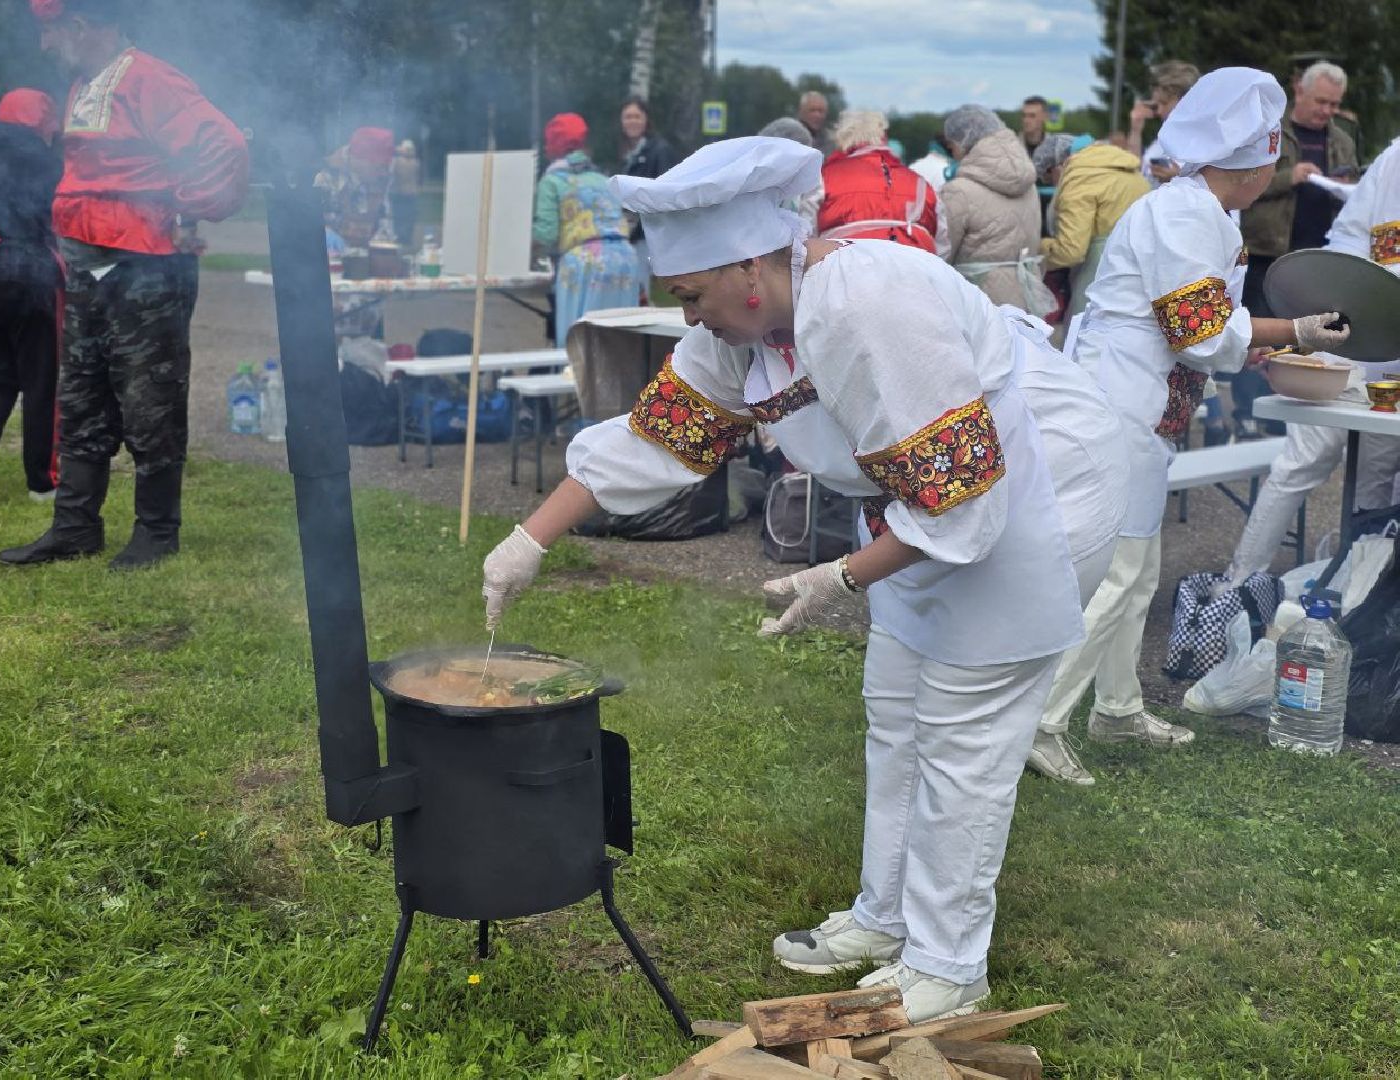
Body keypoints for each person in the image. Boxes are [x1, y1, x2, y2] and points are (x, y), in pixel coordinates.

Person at [481, 136, 1130, 1022]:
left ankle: (947, 965)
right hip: (929, 504)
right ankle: (886, 917)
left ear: (749, 266)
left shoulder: (867, 300)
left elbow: (959, 499)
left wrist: (842, 578)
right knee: (897, 708)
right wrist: (530, 540)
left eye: (691, 296)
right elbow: (658, 436)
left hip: (1036, 488)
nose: (691, 319)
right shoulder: (741, 333)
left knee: (962, 732)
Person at [1025, 68, 1350, 785]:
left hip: (1144, 396)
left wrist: (1257, 341)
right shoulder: (1184, 213)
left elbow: (1200, 324)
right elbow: (1197, 328)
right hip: (1123, 398)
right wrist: (1293, 329)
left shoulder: (1203, 212)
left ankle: (1115, 706)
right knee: (1122, 572)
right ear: (1256, 163)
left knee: (1133, 574)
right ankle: (1040, 719)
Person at [0, 0, 248, 570]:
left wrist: (181, 207)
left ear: (80, 26)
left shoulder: (152, 80)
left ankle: (157, 532)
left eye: (49, 32)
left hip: (149, 268)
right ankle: (75, 526)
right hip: (89, 267)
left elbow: (225, 145)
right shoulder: (85, 85)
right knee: (81, 393)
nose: (44, 46)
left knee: (149, 397)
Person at [1219, 135, 1400, 589]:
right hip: (1348, 338)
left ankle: (1360, 593)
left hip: (1394, 369)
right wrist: (1359, 296)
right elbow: (1348, 238)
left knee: (1375, 475)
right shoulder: (1393, 158)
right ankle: (1239, 584)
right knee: (1302, 461)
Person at [1235, 62, 1358, 438]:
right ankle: (1249, 414)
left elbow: (1354, 199)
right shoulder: (1272, 132)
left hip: (1316, 258)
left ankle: (1292, 422)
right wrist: (1292, 177)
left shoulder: (1343, 140)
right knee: (1256, 333)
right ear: (1299, 92)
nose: (1327, 110)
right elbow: (1241, 185)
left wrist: (1348, 186)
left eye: (1334, 104)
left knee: (1302, 340)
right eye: (1321, 101)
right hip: (1267, 252)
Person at [0, 90, 63, 506]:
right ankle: (43, 484)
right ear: (42, 124)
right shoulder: (48, 163)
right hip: (26, 272)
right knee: (43, 380)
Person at [532, 113, 640, 346]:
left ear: (554, 145)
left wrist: (527, 248)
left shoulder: (551, 181)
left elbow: (546, 234)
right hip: (625, 261)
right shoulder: (602, 178)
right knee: (619, 346)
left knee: (579, 348)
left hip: (584, 264)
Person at [1035, 133, 1149, 336]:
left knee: (1085, 344)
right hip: (1139, 278)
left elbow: (1071, 251)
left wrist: (1039, 248)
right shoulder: (1124, 168)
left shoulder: (1080, 177)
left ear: (1059, 166)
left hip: (1099, 278)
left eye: (1049, 176)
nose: (1054, 184)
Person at [938, 105, 1047, 314]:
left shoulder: (958, 191)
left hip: (979, 301)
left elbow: (943, 253)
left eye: (951, 148)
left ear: (963, 143)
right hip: (1028, 296)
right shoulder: (1029, 184)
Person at [315, 127, 396, 341]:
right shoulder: (324, 178)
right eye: (378, 166)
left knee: (369, 353)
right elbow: (302, 224)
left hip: (365, 284)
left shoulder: (382, 179)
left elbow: (385, 222)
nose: (383, 172)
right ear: (359, 159)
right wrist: (322, 234)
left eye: (385, 166)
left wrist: (385, 247)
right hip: (328, 281)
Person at [817, 110, 936, 251]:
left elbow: (806, 234)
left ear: (841, 138)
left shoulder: (824, 177)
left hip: (846, 263)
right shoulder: (920, 183)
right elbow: (941, 240)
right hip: (915, 263)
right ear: (884, 137)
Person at [617, 96, 678, 277]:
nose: (632, 121)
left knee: (639, 288)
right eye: (627, 117)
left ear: (646, 120)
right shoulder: (628, 154)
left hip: (648, 235)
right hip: (631, 233)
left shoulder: (660, 150)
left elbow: (665, 194)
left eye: (637, 116)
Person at [1126, 61, 1201, 186]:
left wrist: (1178, 177)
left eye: (1164, 103)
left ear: (1186, 101)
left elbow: (1222, 194)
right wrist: (1135, 129)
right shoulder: (1162, 141)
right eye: (1156, 105)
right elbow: (1133, 172)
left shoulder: (1206, 141)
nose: (1159, 111)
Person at [390, 138, 421, 249]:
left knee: (400, 217)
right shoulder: (415, 162)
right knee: (408, 217)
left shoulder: (397, 161)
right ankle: (406, 238)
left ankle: (401, 237)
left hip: (399, 194)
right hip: (409, 194)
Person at [797, 91, 834, 156]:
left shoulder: (832, 141)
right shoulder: (789, 137)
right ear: (801, 111)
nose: (817, 115)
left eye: (821, 111)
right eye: (812, 110)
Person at [1018, 96, 1047, 160]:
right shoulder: (1011, 147)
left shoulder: (1055, 148)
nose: (1026, 120)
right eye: (1024, 115)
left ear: (1044, 117)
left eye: (1032, 116)